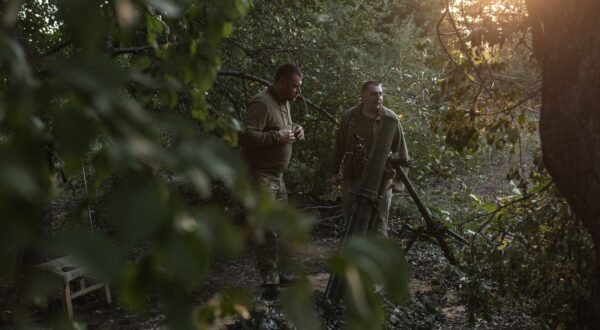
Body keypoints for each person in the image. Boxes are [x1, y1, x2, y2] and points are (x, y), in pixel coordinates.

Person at [239, 63, 304, 286]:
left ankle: (278, 274)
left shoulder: (285, 101)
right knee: (266, 231)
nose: (298, 91)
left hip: (278, 177)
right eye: (295, 86)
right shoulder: (261, 102)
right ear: (282, 82)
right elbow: (246, 137)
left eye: (299, 86)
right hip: (260, 177)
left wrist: (296, 129)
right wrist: (279, 137)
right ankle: (269, 283)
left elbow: (281, 127)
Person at [329, 81, 409, 236]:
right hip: (352, 179)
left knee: (378, 227)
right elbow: (339, 146)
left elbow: (401, 152)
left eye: (380, 94)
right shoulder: (350, 116)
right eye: (373, 94)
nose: (378, 97)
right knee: (352, 226)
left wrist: (400, 181)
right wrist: (333, 172)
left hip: (380, 183)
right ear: (363, 96)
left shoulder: (390, 119)